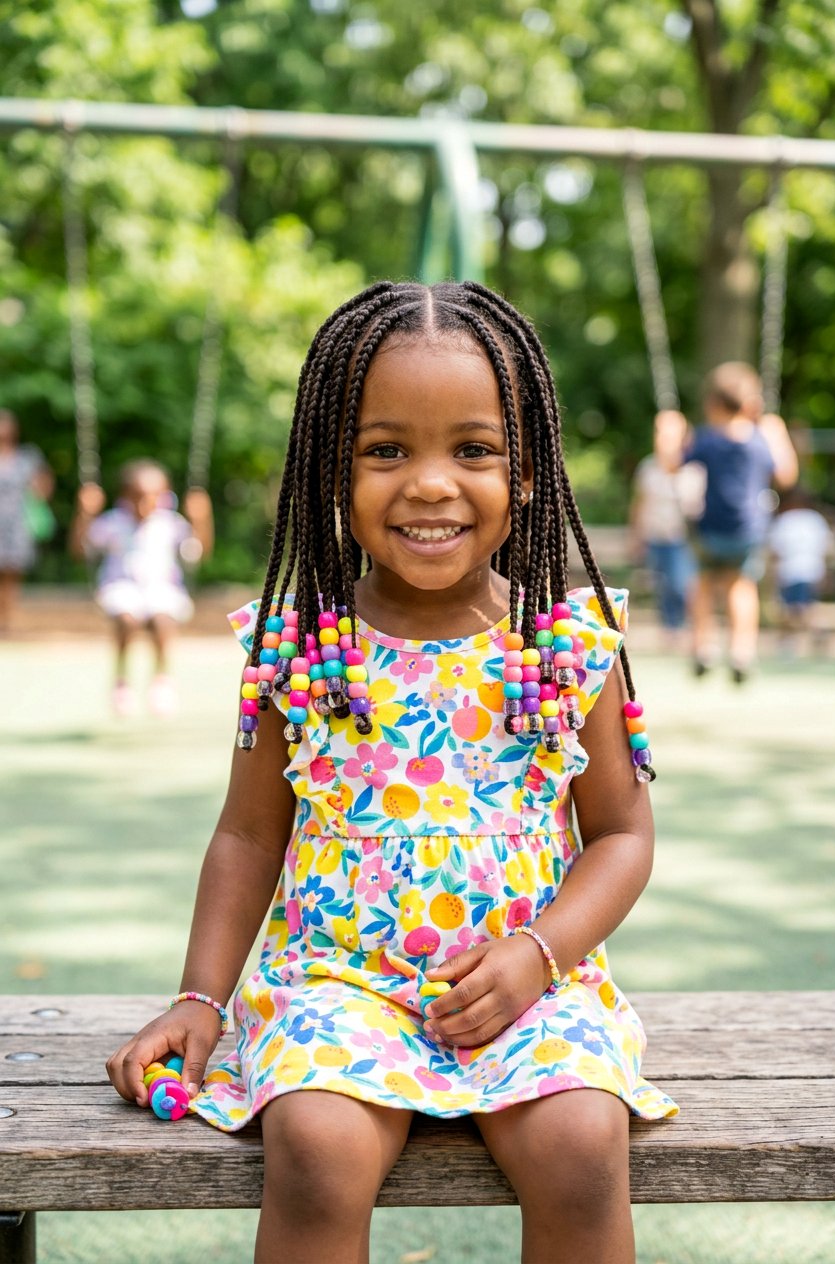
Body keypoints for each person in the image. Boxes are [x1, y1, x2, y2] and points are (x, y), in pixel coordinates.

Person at [106, 281, 677, 1264]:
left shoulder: (566, 644)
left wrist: (536, 956)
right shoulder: (297, 648)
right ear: (332, 469)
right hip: (338, 986)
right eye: (384, 450)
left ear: (527, 473)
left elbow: (622, 835)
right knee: (318, 1145)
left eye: (471, 449)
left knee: (581, 1143)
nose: (427, 483)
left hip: (524, 985)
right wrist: (200, 997)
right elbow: (247, 836)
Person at [70, 459, 213, 715]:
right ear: (125, 496)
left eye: (153, 497)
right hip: (121, 588)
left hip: (163, 589)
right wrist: (84, 513)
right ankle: (122, 680)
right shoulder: (112, 522)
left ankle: (161, 679)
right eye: (138, 497)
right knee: (127, 618)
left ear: (164, 496)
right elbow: (80, 550)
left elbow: (198, 553)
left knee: (162, 619)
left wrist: (202, 519)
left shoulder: (171, 523)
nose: (145, 503)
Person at [683, 362, 795, 683]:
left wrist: (669, 432)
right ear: (751, 404)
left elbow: (674, 463)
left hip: (709, 528)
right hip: (748, 530)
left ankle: (703, 646)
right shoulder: (761, 439)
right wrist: (779, 433)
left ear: (713, 404)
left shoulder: (706, 439)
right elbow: (786, 476)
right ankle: (742, 651)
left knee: (703, 583)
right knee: (741, 586)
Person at [629, 409, 705, 649]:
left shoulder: (693, 470)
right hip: (655, 534)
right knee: (662, 583)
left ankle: (684, 627)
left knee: (680, 583)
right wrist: (636, 535)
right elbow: (639, 503)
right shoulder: (648, 467)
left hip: (681, 537)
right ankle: (670, 629)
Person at [0, 408, 55, 636]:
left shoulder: (27, 456)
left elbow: (43, 482)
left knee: (12, 574)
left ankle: (6, 621)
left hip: (17, 522)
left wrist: (38, 496)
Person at [768, 486, 832, 653]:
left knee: (792, 610)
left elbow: (775, 550)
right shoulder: (816, 520)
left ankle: (790, 642)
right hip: (812, 570)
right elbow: (824, 548)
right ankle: (815, 633)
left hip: (789, 571)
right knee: (805, 606)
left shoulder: (785, 520)